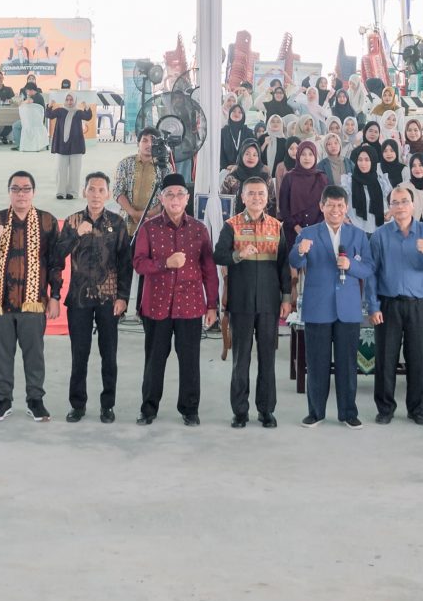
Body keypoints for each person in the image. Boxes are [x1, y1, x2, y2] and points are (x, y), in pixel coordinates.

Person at [0, 171, 64, 422]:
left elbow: (55, 262)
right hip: (1, 302)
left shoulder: (47, 221)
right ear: (9, 192)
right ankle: (2, 400)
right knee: (2, 354)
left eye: (26, 189)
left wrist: (55, 296)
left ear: (33, 192)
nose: (21, 194)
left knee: (34, 355)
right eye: (15, 189)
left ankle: (35, 400)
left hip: (34, 302)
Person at [133, 176, 219, 425]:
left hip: (190, 306)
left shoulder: (199, 229)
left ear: (187, 198)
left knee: (190, 361)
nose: (175, 199)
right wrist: (165, 264)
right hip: (156, 305)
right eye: (169, 194)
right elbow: (138, 264)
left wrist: (212, 305)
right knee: (154, 360)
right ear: (161, 198)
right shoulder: (148, 228)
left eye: (180, 194)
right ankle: (148, 409)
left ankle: (190, 410)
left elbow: (209, 270)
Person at [213, 172, 290, 428]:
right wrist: (238, 254)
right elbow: (218, 255)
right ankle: (240, 412)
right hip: (241, 302)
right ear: (242, 197)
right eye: (251, 193)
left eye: (261, 193)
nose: (256, 198)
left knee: (267, 359)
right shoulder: (231, 225)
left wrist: (286, 298)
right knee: (241, 358)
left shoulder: (277, 226)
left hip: (269, 303)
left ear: (268, 198)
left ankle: (266, 411)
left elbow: (283, 265)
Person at [292, 188, 375, 426]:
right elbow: (294, 261)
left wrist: (350, 266)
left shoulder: (358, 235)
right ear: (322, 207)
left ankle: (348, 413)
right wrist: (300, 250)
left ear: (346, 208)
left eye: (340, 206)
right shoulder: (308, 233)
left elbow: (369, 268)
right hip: (318, 307)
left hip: (348, 309)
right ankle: (315, 412)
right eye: (330, 205)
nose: (335, 210)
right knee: (316, 363)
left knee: (347, 365)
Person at [61, 171, 134, 422]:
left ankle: (107, 405)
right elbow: (57, 255)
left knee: (109, 355)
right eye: (91, 189)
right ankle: (77, 405)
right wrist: (76, 235)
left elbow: (125, 263)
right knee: (79, 354)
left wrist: (123, 297)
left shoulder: (117, 223)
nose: (96, 195)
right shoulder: (72, 221)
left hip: (108, 299)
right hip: (78, 299)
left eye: (101, 190)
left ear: (109, 194)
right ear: (84, 192)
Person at [369, 186, 423, 424]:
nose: (400, 206)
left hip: (418, 304)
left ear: (413, 205)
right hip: (388, 304)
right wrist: (373, 306)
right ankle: (385, 409)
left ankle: (417, 409)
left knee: (419, 358)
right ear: (389, 207)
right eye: (395, 202)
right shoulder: (380, 235)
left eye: (404, 201)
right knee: (385, 359)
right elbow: (371, 273)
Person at [47, 82, 94, 202]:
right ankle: (60, 192)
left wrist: (86, 106)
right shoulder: (60, 111)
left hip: (75, 145)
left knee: (75, 170)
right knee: (60, 169)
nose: (69, 102)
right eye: (67, 99)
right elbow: (49, 115)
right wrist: (50, 105)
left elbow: (88, 116)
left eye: (71, 99)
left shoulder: (78, 112)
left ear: (75, 100)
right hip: (62, 145)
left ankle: (72, 192)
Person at [277, 137, 329, 230]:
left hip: (318, 229)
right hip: (293, 230)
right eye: (303, 154)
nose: (307, 158)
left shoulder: (322, 178)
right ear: (298, 156)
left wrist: (316, 227)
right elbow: (284, 207)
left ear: (315, 156)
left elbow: (326, 205)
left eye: (310, 154)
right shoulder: (289, 177)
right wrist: (295, 227)